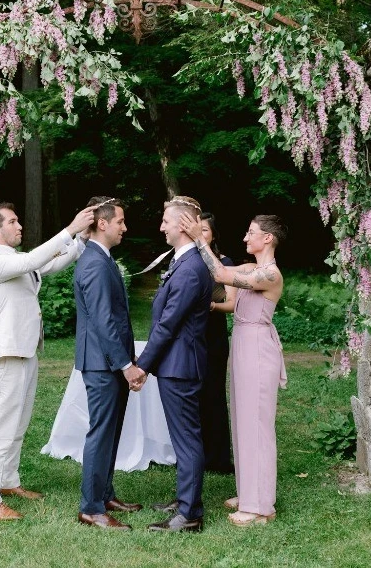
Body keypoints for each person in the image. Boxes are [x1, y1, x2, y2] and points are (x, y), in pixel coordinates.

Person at [0, 202, 95, 522]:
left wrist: (80, 240)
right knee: (1, 426)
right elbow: (33, 259)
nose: (20, 227)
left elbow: (48, 265)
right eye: (13, 222)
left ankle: (9, 481)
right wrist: (69, 228)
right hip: (6, 353)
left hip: (25, 350)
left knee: (19, 423)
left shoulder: (14, 260)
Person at [180, 212, 288, 527]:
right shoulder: (253, 267)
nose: (245, 238)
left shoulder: (270, 274)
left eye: (251, 232)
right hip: (243, 343)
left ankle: (259, 508)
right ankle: (249, 492)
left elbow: (221, 275)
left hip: (257, 347)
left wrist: (199, 238)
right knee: (242, 421)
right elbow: (219, 270)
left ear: (267, 238)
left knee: (257, 425)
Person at [136, 196, 214, 533]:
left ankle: (189, 514)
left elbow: (168, 323)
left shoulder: (191, 268)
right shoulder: (185, 262)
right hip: (176, 363)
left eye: (166, 221)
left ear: (182, 224)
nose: (161, 227)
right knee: (185, 437)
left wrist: (142, 364)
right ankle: (185, 500)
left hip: (180, 365)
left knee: (186, 439)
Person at [72, 197, 145, 530]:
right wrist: (125, 364)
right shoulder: (95, 263)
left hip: (107, 362)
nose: (124, 228)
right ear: (102, 223)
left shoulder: (102, 258)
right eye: (120, 221)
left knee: (111, 432)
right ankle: (90, 507)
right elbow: (103, 320)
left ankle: (105, 494)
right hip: (103, 364)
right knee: (101, 433)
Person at [199, 213, 236, 474]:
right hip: (192, 336)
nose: (201, 234)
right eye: (196, 229)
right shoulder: (188, 260)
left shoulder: (224, 263)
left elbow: (232, 303)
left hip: (213, 334)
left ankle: (219, 457)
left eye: (205, 230)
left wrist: (213, 305)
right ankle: (195, 454)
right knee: (193, 397)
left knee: (213, 395)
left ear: (213, 234)